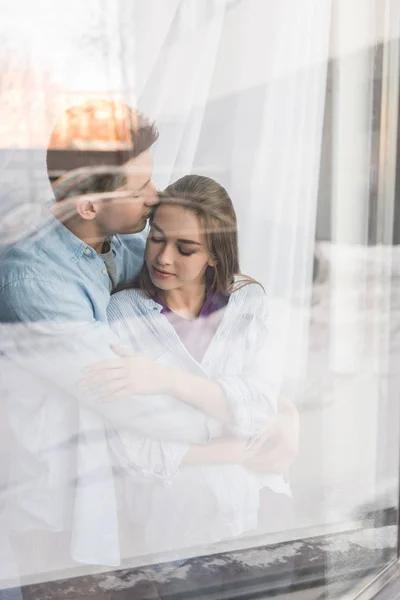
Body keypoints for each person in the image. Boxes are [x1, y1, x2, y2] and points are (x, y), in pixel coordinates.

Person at [0, 101, 298, 570]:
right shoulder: (34, 282)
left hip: (119, 493)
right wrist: (243, 426)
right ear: (90, 204)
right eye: (140, 187)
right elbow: (131, 400)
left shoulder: (130, 240)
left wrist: (281, 408)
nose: (155, 196)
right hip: (55, 500)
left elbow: (209, 290)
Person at [80, 174, 295, 553]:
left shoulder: (248, 301)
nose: (163, 257)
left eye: (186, 248)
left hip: (263, 510)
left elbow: (261, 408)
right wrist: (235, 442)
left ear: (214, 253)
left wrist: (164, 381)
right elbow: (135, 448)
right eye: (157, 238)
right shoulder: (121, 315)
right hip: (177, 529)